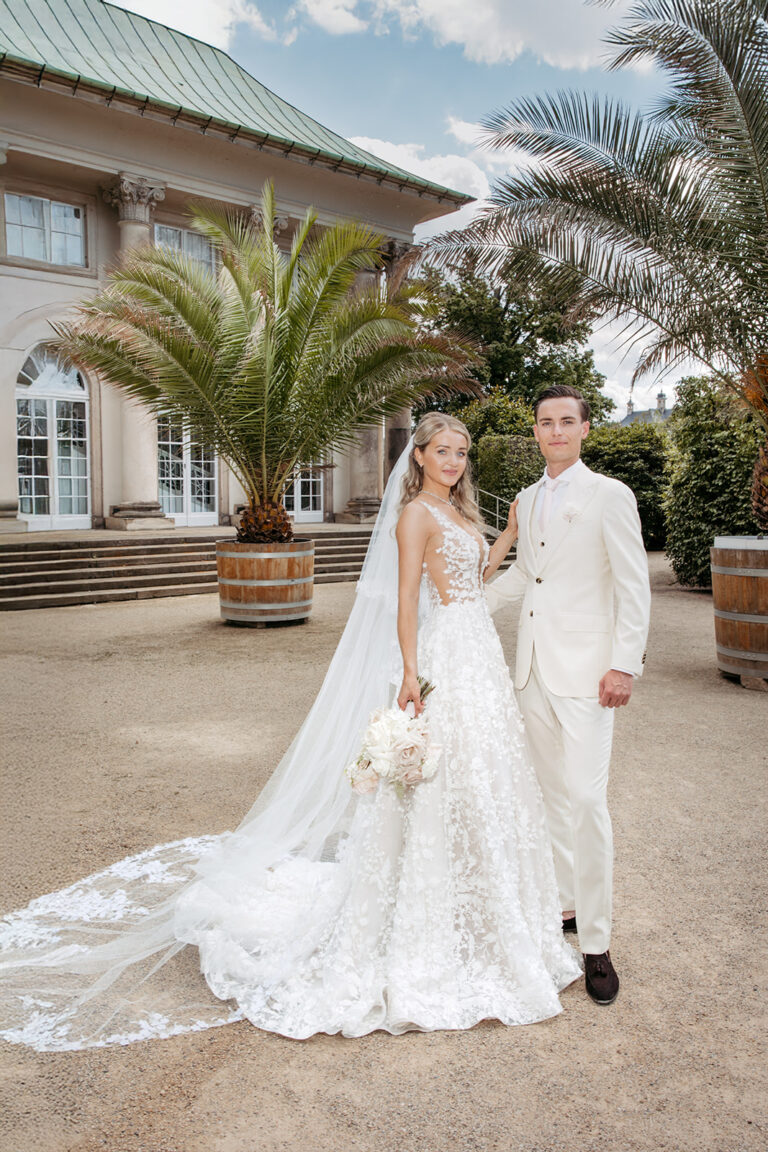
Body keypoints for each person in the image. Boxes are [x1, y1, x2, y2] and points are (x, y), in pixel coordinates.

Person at [0, 414, 579, 1051]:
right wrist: (412, 672)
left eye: (462, 453)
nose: (454, 461)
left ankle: (478, 904)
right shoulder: (416, 514)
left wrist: (513, 534)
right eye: (442, 451)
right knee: (433, 782)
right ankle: (420, 914)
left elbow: (475, 581)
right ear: (417, 457)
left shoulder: (462, 515)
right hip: (445, 656)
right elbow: (410, 599)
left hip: (480, 657)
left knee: (480, 776)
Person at [484, 385, 651, 1005]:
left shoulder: (610, 495)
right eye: (545, 422)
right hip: (531, 668)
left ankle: (598, 944)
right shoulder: (526, 500)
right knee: (552, 796)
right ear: (535, 432)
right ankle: (565, 908)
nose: (554, 431)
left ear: (584, 429)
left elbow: (634, 585)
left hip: (589, 673)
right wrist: (467, 608)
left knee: (587, 801)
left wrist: (623, 665)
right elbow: (529, 573)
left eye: (566, 421)